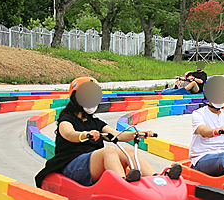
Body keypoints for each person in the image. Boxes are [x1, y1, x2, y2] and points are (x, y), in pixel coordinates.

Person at [35, 77, 181, 187]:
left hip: (90, 165)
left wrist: (137, 134)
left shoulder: (95, 122)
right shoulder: (66, 119)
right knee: (109, 151)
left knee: (128, 151)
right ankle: (123, 183)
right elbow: (69, 134)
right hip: (72, 166)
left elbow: (116, 135)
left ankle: (156, 179)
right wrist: (85, 134)